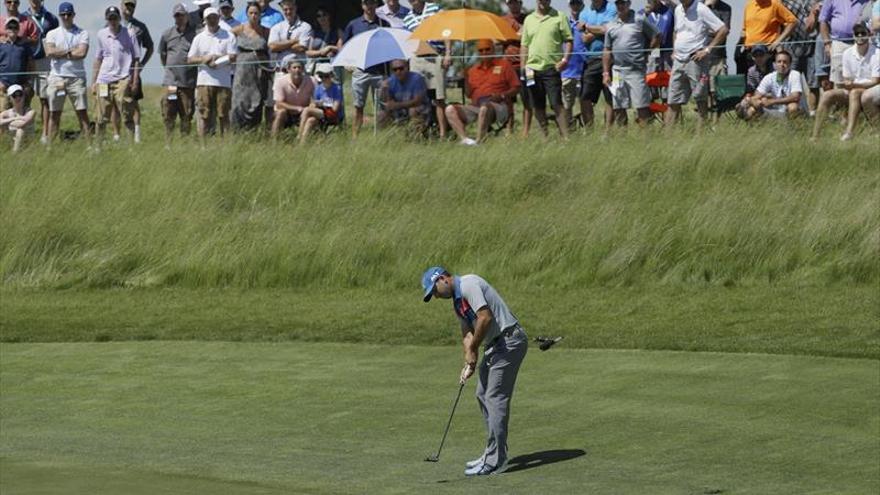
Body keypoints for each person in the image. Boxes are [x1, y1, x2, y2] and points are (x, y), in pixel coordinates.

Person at [421, 266, 529, 477]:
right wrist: (469, 361)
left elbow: (485, 317)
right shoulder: (458, 303)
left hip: (509, 341)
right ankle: (492, 452)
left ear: (442, 279)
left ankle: (497, 460)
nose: (434, 296)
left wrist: (473, 349)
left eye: (433, 290)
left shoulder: (469, 284)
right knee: (481, 394)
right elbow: (467, 334)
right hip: (495, 346)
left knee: (494, 397)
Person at [665, 0, 728, 130]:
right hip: (678, 60)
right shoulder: (678, 10)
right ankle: (668, 137)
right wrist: (674, 50)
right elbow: (676, 31)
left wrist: (707, 50)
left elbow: (723, 29)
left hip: (696, 61)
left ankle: (700, 136)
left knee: (700, 99)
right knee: (672, 100)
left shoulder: (701, 9)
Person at [445, 39, 521, 144]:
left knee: (485, 107)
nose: (484, 52)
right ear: (478, 52)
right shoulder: (472, 70)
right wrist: (465, 78)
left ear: (493, 50)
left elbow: (516, 87)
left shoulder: (504, 65)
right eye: (481, 50)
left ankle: (479, 141)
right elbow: (468, 94)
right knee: (449, 109)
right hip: (476, 106)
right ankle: (466, 140)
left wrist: (502, 95)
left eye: (487, 49)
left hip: (499, 106)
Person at [812, 23, 878, 139]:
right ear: (853, 36)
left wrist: (853, 84)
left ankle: (849, 132)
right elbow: (846, 78)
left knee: (854, 92)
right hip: (853, 87)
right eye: (857, 34)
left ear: (869, 35)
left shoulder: (877, 53)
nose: (860, 36)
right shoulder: (847, 53)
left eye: (863, 33)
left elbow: (876, 81)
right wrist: (849, 84)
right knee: (827, 95)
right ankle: (815, 135)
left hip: (870, 90)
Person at [602, 0, 660, 127]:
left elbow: (656, 35)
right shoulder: (610, 25)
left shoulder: (639, 20)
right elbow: (607, 50)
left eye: (623, 3)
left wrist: (647, 52)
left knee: (641, 105)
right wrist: (606, 73)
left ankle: (645, 138)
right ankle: (623, 137)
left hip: (636, 70)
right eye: (618, 4)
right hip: (617, 70)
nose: (620, 6)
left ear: (629, 4)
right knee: (619, 106)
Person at [91, 6, 141, 146]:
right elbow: (98, 58)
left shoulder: (129, 33)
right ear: (107, 19)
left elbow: (137, 58)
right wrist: (94, 81)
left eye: (115, 18)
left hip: (123, 79)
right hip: (103, 80)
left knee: (126, 113)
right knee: (100, 115)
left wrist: (135, 79)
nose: (112, 21)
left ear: (119, 18)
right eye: (110, 18)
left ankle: (131, 147)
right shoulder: (101, 34)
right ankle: (98, 147)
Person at [521, 0, 573, 138]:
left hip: (552, 68)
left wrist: (565, 60)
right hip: (531, 69)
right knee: (537, 105)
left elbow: (569, 40)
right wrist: (523, 67)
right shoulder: (528, 19)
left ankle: (565, 137)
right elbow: (524, 45)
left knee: (556, 103)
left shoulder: (560, 16)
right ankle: (545, 137)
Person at [187, 6, 237, 146]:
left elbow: (233, 57)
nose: (212, 20)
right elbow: (190, 59)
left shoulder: (229, 36)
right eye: (209, 18)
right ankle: (204, 146)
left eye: (215, 17)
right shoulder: (199, 38)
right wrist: (205, 59)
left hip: (223, 82)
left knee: (223, 115)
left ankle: (225, 145)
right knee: (204, 115)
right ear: (205, 20)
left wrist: (218, 59)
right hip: (204, 81)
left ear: (219, 18)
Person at [403, 1, 452, 139]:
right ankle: (418, 132)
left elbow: (447, 31)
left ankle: (442, 134)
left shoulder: (434, 8)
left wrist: (448, 53)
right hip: (416, 59)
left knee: (438, 98)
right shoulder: (407, 18)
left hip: (435, 56)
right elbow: (407, 42)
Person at [43, 1, 90, 146]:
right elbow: (49, 52)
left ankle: (90, 146)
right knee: (54, 113)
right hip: (57, 78)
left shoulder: (82, 33)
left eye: (68, 14)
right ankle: (50, 147)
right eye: (63, 14)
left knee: (82, 113)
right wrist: (70, 51)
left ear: (73, 15)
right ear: (59, 16)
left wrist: (60, 53)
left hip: (77, 78)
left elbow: (82, 53)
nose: (66, 17)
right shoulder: (52, 33)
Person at [343, 0, 390, 138]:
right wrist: (348, 64)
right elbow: (346, 46)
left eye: (372, 3)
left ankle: (380, 137)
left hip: (380, 72)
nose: (369, 6)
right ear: (362, 5)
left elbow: (388, 47)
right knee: (358, 107)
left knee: (381, 108)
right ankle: (355, 138)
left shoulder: (384, 24)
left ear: (376, 5)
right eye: (366, 3)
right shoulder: (353, 24)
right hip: (360, 71)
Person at [158, 3, 197, 147]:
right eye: (176, 15)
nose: (179, 18)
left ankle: (184, 144)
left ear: (187, 16)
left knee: (186, 113)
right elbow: (162, 54)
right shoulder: (167, 34)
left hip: (187, 83)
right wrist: (169, 70)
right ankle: (168, 143)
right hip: (171, 83)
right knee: (169, 111)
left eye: (181, 15)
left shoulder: (195, 35)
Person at [231, 2, 271, 131]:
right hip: (242, 72)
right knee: (240, 101)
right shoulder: (239, 29)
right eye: (251, 13)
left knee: (257, 100)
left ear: (260, 15)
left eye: (256, 13)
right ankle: (237, 130)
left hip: (259, 72)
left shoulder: (265, 31)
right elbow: (225, 40)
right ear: (247, 14)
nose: (254, 16)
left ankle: (253, 131)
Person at [578, 0, 617, 128]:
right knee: (585, 97)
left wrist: (587, 27)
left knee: (610, 97)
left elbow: (607, 29)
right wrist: (600, 29)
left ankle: (608, 131)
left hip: (611, 58)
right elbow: (584, 38)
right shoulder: (584, 12)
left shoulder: (612, 8)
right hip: (591, 59)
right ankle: (589, 130)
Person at [23, 0, 58, 145]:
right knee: (25, 96)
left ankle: (45, 134)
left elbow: (56, 39)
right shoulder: (23, 17)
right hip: (27, 60)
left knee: (45, 98)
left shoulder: (51, 18)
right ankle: (24, 131)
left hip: (44, 61)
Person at [121, 0, 153, 144]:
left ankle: (137, 136)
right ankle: (118, 136)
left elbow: (150, 47)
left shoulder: (140, 27)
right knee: (117, 104)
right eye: (127, 4)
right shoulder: (113, 22)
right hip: (115, 72)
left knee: (133, 103)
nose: (129, 8)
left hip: (133, 71)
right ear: (121, 5)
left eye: (132, 5)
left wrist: (141, 65)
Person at [819, 0, 871, 86]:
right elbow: (823, 21)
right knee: (840, 81)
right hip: (839, 43)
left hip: (861, 43)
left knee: (860, 78)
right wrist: (827, 44)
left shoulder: (866, 1)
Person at [782, 0, 822, 111]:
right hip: (791, 47)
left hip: (812, 46)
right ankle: (792, 112)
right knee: (789, 82)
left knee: (813, 84)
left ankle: (813, 113)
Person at [741, 49, 804, 119]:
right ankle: (754, 129)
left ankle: (795, 128)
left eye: (785, 62)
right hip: (777, 110)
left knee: (793, 107)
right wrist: (755, 101)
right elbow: (757, 95)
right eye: (779, 62)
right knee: (752, 109)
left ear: (790, 64)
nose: (782, 64)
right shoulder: (769, 77)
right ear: (775, 63)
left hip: (795, 110)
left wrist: (772, 101)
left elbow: (795, 97)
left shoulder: (795, 74)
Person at [271, 54, 318, 143]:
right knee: (280, 112)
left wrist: (310, 107)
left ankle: (302, 142)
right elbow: (279, 103)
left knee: (312, 119)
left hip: (304, 112)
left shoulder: (312, 81)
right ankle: (274, 142)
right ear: (288, 70)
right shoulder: (280, 82)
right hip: (287, 113)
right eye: (294, 67)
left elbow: (315, 99)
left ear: (303, 69)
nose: (297, 70)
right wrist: (296, 108)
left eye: (299, 67)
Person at [378, 58, 430, 134]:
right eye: (395, 69)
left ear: (407, 67)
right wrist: (385, 90)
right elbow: (388, 103)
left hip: (420, 108)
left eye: (401, 68)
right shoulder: (390, 81)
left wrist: (396, 105)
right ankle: (385, 137)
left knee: (413, 110)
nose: (398, 71)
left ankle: (416, 137)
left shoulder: (417, 78)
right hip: (400, 110)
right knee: (381, 114)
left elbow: (417, 101)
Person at [502, 0, 530, 132]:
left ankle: (525, 131)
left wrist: (509, 36)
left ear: (521, 3)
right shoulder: (502, 20)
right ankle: (509, 129)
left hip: (528, 64)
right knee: (507, 99)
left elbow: (531, 37)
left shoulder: (529, 19)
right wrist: (517, 35)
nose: (514, 5)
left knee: (528, 98)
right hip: (508, 65)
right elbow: (496, 39)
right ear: (508, 5)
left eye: (516, 2)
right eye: (511, 3)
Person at [705, 0, 732, 117]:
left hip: (718, 56)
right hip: (701, 57)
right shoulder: (699, 5)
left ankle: (715, 124)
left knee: (716, 92)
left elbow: (725, 30)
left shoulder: (726, 8)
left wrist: (711, 31)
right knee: (703, 93)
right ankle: (704, 122)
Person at [0, 16, 33, 112]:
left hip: (21, 85)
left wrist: (29, 82)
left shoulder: (24, 46)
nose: (13, 29)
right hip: (4, 86)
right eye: (10, 27)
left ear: (19, 29)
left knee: (21, 113)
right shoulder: (1, 45)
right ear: (5, 29)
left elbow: (31, 63)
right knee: (3, 113)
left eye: (15, 27)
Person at [562, 0, 587, 127]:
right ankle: (568, 132)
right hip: (567, 71)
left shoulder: (587, 23)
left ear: (582, 5)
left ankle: (588, 131)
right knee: (567, 105)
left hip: (585, 69)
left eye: (578, 3)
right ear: (569, 6)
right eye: (573, 4)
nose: (575, 6)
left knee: (585, 103)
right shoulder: (563, 23)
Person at [305, 6, 343, 80]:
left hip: (332, 66)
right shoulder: (314, 33)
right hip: (317, 66)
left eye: (324, 14)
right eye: (319, 16)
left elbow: (341, 49)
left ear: (329, 16)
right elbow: (308, 52)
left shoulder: (337, 31)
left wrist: (330, 48)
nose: (322, 17)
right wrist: (320, 52)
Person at [736, 43, 774, 115]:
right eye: (755, 55)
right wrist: (746, 99)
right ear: (752, 57)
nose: (758, 58)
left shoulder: (775, 69)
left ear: (767, 55)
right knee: (740, 106)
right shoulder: (751, 71)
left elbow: (777, 90)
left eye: (761, 55)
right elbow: (751, 89)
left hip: (774, 97)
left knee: (754, 107)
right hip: (757, 97)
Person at [0, 83, 34, 152]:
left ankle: (15, 152)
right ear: (10, 98)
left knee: (20, 130)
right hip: (11, 141)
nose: (18, 98)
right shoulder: (6, 113)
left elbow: (21, 124)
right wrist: (15, 118)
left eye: (20, 94)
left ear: (24, 96)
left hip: (27, 143)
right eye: (14, 96)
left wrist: (7, 122)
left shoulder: (30, 111)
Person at [642, 0, 674, 72]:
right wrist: (646, 14)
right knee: (652, 72)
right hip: (653, 49)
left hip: (667, 49)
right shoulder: (643, 13)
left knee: (668, 73)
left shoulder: (670, 11)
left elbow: (676, 30)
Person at [312, 62, 344, 131]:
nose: (323, 78)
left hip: (333, 115)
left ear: (331, 75)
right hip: (321, 113)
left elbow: (335, 109)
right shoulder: (318, 88)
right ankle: (302, 140)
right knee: (310, 120)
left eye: (326, 76)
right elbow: (313, 104)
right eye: (321, 76)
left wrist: (322, 104)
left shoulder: (337, 88)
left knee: (306, 111)